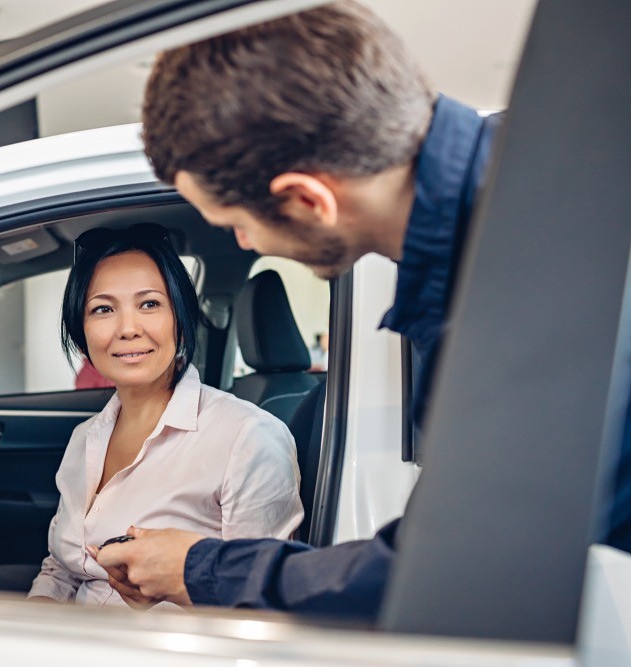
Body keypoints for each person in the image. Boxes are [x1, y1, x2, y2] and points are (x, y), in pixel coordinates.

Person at [93, 0, 502, 620]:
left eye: (235, 225)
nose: (244, 243)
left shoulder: (518, 289)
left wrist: (200, 568)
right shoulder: (531, 194)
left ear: (308, 200)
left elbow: (457, 571)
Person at [27, 223, 303, 608]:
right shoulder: (85, 437)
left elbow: (257, 602)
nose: (127, 329)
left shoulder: (248, 437)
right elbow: (62, 567)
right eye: (103, 309)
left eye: (150, 304)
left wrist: (173, 594)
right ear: (81, 330)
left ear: (180, 318)